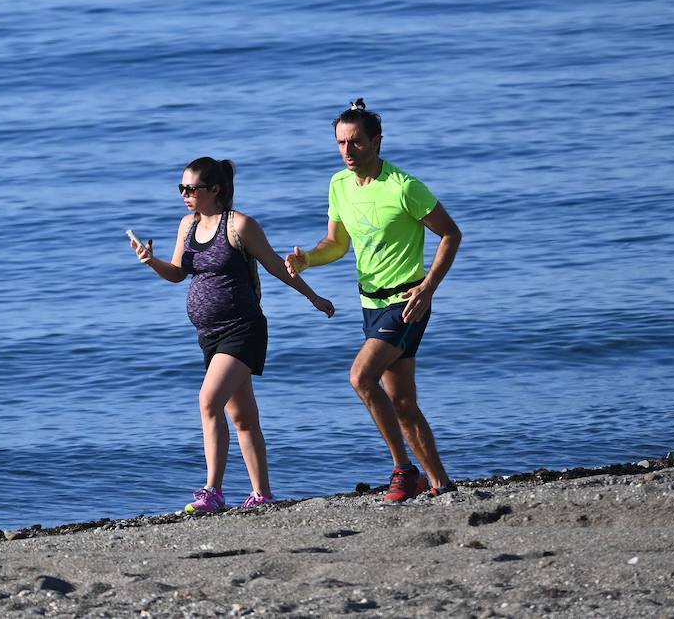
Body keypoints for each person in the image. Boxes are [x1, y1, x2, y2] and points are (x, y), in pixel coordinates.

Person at [129, 156, 335, 514]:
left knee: (208, 401)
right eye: (182, 188)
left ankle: (213, 491)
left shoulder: (240, 225)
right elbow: (178, 273)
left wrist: (313, 297)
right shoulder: (187, 225)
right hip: (209, 334)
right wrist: (151, 262)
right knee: (242, 418)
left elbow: (275, 266)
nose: (185, 195)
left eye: (191, 188)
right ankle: (262, 494)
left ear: (215, 190)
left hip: (244, 328)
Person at [285, 99, 462, 502]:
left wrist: (429, 286)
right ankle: (440, 485)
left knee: (361, 378)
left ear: (377, 142)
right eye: (341, 143)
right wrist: (307, 259)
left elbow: (451, 234)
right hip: (370, 304)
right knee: (402, 402)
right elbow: (336, 243)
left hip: (408, 301)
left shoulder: (404, 187)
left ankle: (403, 470)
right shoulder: (339, 185)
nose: (348, 151)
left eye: (356, 142)